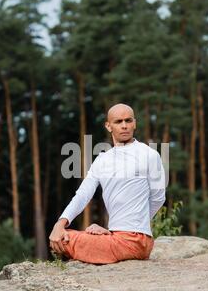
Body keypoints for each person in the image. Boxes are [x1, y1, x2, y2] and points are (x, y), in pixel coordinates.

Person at [49, 103, 166, 264]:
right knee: (61, 235)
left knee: (64, 240)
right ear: (108, 126)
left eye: (128, 120)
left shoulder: (150, 155)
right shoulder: (102, 160)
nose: (124, 126)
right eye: (118, 122)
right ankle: (110, 237)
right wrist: (60, 224)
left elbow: (158, 198)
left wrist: (135, 227)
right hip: (117, 237)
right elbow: (83, 195)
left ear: (135, 123)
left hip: (136, 240)